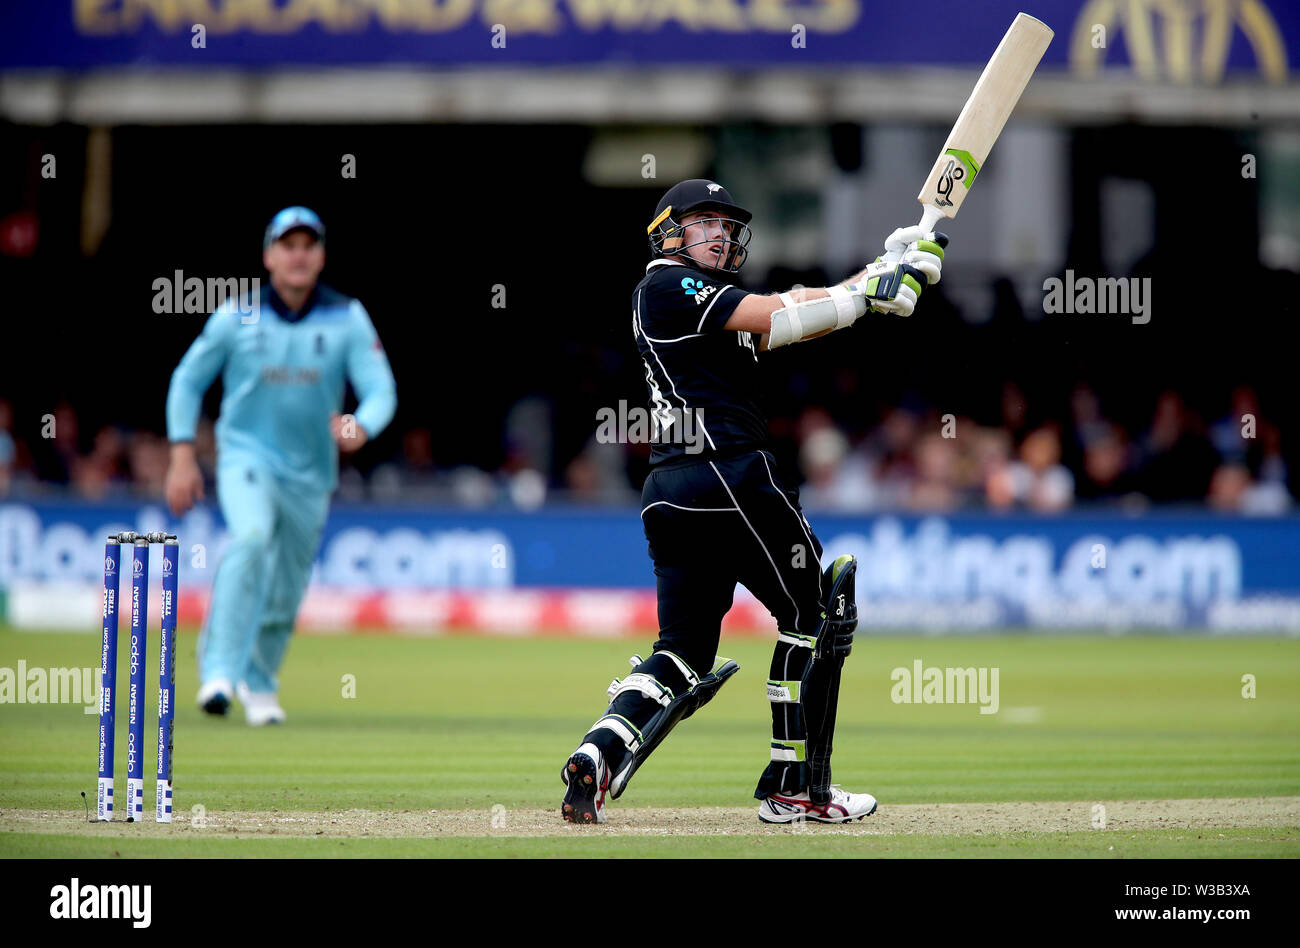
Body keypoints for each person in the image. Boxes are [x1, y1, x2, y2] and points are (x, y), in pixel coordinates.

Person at [559, 179, 945, 823]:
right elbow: (778, 313)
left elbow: (790, 316)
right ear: (668, 233)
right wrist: (866, 292)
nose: (717, 232)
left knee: (682, 651)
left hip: (672, 494)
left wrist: (883, 269)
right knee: (821, 612)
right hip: (731, 474)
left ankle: (598, 753)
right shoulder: (667, 285)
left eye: (723, 223)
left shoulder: (712, 305)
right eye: (702, 221)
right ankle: (800, 786)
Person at [164, 207, 397, 725]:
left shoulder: (347, 316)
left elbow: (381, 391)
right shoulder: (236, 316)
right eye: (287, 245)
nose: (298, 254)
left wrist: (361, 425)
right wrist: (182, 454)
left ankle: (260, 681)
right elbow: (187, 380)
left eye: (307, 245)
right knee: (250, 539)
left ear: (321, 256)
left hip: (311, 474)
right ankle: (219, 671)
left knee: (289, 582)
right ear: (269, 256)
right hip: (246, 458)